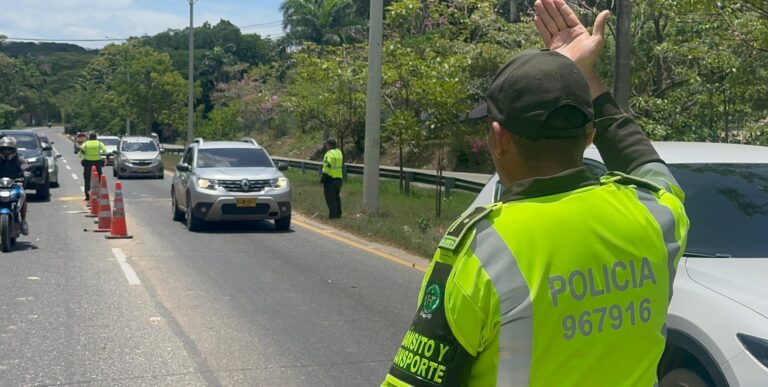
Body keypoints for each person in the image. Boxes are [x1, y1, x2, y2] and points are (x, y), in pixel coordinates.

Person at [381, 1, 689, 386]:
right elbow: (650, 168)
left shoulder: (483, 250)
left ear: (498, 138)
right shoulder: (655, 218)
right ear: (590, 135)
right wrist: (587, 78)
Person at [0, 137, 29, 235]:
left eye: (9, 149)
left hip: (15, 185)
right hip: (0, 185)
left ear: (14, 149)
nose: (6, 151)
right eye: (4, 149)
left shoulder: (20, 159)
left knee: (23, 196)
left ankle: (24, 221)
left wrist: (26, 175)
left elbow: (26, 169)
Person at [79, 132, 107, 201]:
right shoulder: (99, 143)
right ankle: (99, 194)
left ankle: (87, 196)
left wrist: (82, 156)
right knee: (99, 179)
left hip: (88, 163)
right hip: (97, 163)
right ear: (96, 137)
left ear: (89, 138)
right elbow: (105, 151)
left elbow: (81, 153)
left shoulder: (85, 144)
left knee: (87, 179)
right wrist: (106, 157)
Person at [321, 138, 344, 219]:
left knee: (330, 199)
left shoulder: (329, 154)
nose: (326, 146)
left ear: (329, 145)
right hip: (339, 179)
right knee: (337, 197)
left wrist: (323, 177)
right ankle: (339, 213)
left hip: (330, 179)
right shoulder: (339, 152)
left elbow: (326, 166)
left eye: (326, 144)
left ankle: (333, 215)